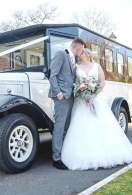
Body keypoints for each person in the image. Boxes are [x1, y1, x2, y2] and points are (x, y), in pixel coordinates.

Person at [61, 48, 132, 170]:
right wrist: (81, 92)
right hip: (81, 102)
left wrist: (93, 95)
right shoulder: (76, 67)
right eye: (79, 53)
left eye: (82, 52)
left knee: (102, 125)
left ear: (88, 55)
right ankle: (85, 156)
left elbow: (102, 82)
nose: (80, 54)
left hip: (96, 100)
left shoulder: (97, 66)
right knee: (83, 127)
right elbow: (74, 82)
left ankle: (109, 154)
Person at [48, 38, 85, 170]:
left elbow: (69, 77)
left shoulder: (72, 59)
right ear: (78, 48)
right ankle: (56, 159)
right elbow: (52, 74)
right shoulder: (61, 54)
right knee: (59, 127)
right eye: (81, 50)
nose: (81, 52)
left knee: (66, 127)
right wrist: (58, 93)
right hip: (61, 96)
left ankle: (63, 154)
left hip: (70, 96)